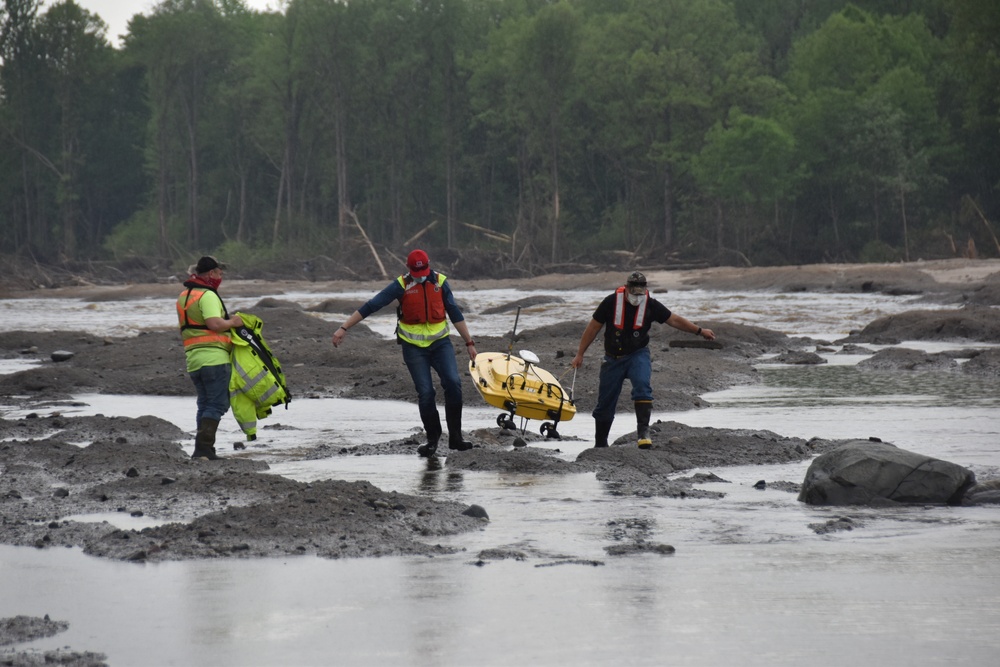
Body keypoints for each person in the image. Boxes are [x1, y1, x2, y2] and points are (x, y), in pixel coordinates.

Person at [332, 249, 477, 457]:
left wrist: (469, 343)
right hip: (413, 348)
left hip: (440, 344)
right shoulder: (400, 285)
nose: (420, 277)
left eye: (424, 272)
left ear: (429, 266)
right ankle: (432, 439)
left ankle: (456, 438)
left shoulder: (440, 282)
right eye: (417, 274)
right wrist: (344, 328)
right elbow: (372, 306)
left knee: (453, 383)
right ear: (409, 270)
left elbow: (454, 312)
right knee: (426, 392)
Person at [571, 271, 715, 449]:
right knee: (605, 403)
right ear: (626, 289)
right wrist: (580, 354)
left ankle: (643, 434)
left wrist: (699, 331)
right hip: (612, 359)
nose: (636, 297)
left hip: (637, 354)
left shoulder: (651, 305)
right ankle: (600, 444)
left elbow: (675, 320)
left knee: (642, 386)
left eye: (640, 292)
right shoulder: (610, 302)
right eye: (633, 292)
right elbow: (593, 328)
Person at [176, 256, 243, 460]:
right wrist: (234, 322)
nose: (220, 278)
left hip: (194, 359)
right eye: (220, 274)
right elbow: (214, 324)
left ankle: (202, 451)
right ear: (211, 273)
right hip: (214, 358)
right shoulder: (207, 295)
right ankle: (204, 449)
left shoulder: (184, 296)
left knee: (205, 404)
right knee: (217, 404)